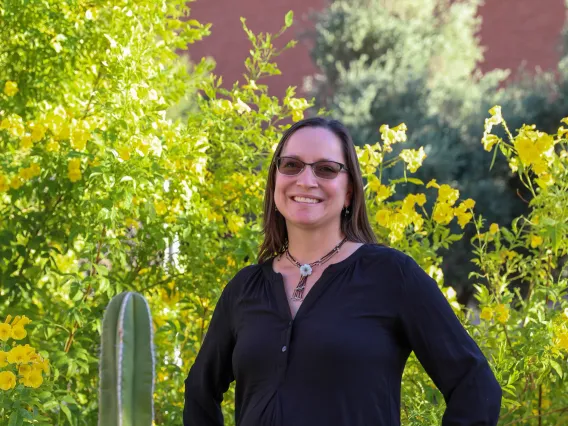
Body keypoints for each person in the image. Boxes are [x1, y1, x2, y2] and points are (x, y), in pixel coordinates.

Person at [183, 117, 502, 425]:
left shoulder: (391, 276)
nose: (306, 180)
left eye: (326, 169)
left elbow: (474, 384)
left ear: (349, 191)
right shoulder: (244, 289)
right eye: (291, 165)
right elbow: (200, 393)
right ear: (275, 179)